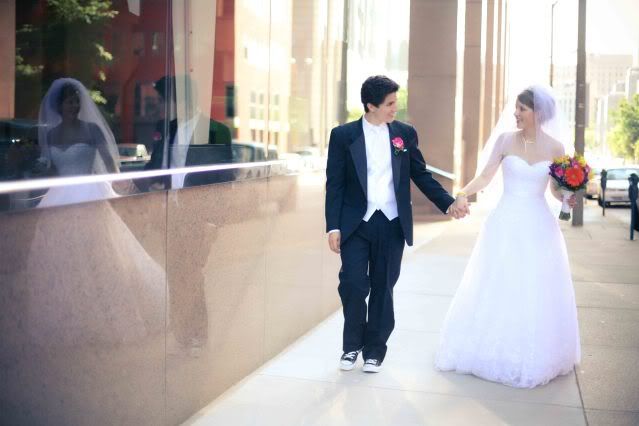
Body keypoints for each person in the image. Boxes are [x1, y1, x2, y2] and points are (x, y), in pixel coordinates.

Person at [435, 85, 581, 388]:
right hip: (504, 223)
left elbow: (556, 190)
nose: (515, 113)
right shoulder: (505, 140)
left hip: (538, 226)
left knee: (533, 287)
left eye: (521, 109)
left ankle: (533, 353)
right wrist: (462, 193)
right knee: (498, 281)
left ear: (537, 113)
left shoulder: (556, 148)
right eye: (516, 108)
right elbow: (485, 176)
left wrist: (567, 196)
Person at [325, 75, 467, 373]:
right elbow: (334, 184)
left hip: (392, 223)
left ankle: (375, 350)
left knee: (383, 286)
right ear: (371, 105)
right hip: (355, 224)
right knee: (352, 284)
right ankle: (351, 346)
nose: (395, 109)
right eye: (390, 104)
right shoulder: (343, 135)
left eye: (395, 103)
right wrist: (333, 226)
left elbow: (420, 174)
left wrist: (448, 202)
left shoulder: (404, 134)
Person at [36, 78, 123, 207]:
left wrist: (118, 182)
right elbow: (53, 169)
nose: (75, 106)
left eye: (77, 102)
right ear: (60, 106)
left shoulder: (92, 129)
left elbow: (108, 160)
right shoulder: (51, 135)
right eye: (70, 102)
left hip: (90, 191)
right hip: (60, 192)